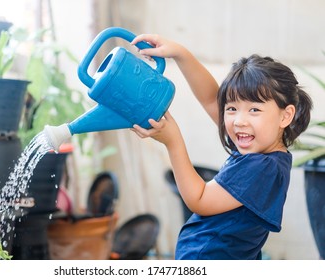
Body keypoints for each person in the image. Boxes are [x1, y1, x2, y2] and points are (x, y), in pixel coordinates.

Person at [130, 34, 313, 260]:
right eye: (232, 108)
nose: (239, 121)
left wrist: (173, 142)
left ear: (285, 116)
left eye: (254, 110)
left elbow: (200, 200)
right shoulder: (261, 145)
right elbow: (210, 99)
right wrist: (181, 54)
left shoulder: (261, 166)